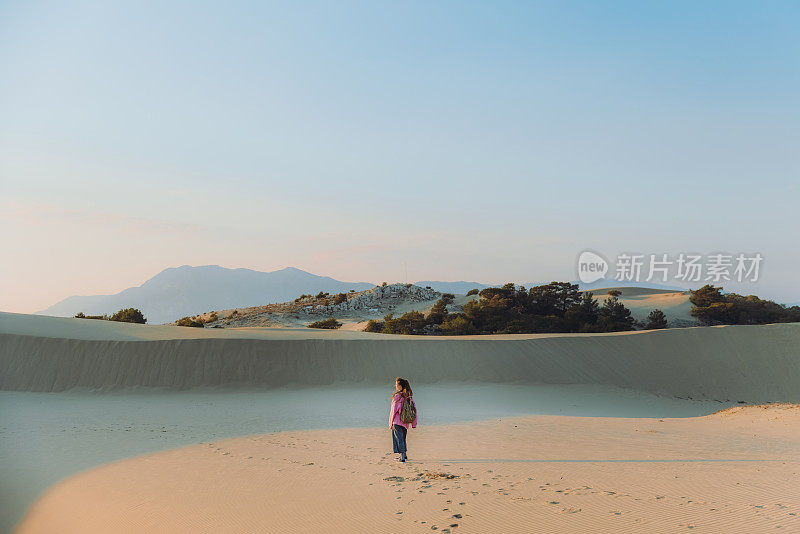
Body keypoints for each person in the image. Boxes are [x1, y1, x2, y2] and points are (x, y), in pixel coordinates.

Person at [389, 377, 417, 462]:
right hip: (405, 422)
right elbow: (414, 410)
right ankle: (404, 455)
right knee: (403, 439)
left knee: (399, 439)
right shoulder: (408, 396)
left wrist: (390, 423)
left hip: (397, 422)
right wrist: (414, 424)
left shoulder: (397, 396)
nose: (395, 386)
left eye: (397, 384)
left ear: (401, 386)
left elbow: (394, 411)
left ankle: (402, 457)